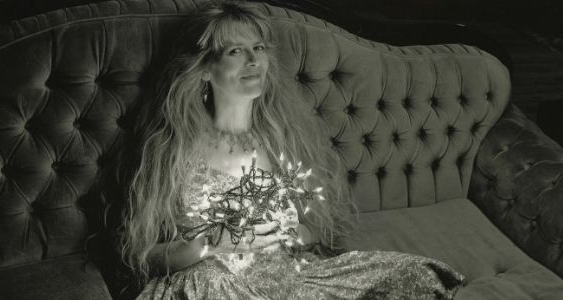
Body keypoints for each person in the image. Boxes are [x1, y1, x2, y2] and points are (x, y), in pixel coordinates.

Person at [120, 1, 465, 298]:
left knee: (417, 276)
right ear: (205, 69)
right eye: (236, 51)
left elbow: (313, 229)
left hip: (287, 281)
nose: (253, 61)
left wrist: (292, 229)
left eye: (259, 48)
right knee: (216, 278)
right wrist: (213, 242)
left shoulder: (280, 136)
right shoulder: (173, 147)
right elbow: (145, 255)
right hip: (215, 285)